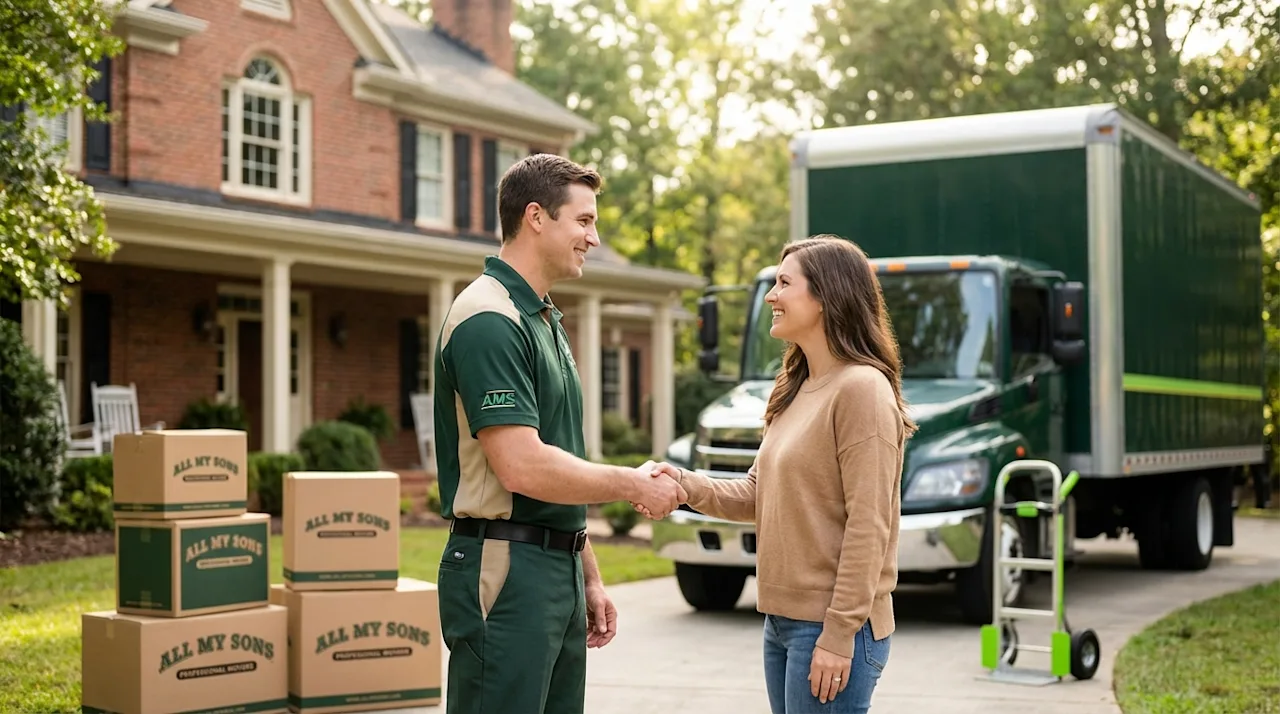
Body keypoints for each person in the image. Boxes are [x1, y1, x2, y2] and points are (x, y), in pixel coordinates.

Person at [432, 153, 686, 714]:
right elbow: (521, 466)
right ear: (536, 217)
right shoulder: (487, 319)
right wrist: (631, 484)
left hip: (555, 569)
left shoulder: (541, 317)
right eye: (585, 220)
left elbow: (560, 459)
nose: (593, 238)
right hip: (505, 573)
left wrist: (586, 571)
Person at [644, 235, 916, 713]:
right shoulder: (797, 386)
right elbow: (757, 493)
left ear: (826, 296)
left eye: (784, 283)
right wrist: (685, 484)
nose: (771, 295)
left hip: (832, 628)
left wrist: (837, 633)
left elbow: (868, 524)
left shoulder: (861, 390)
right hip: (783, 622)